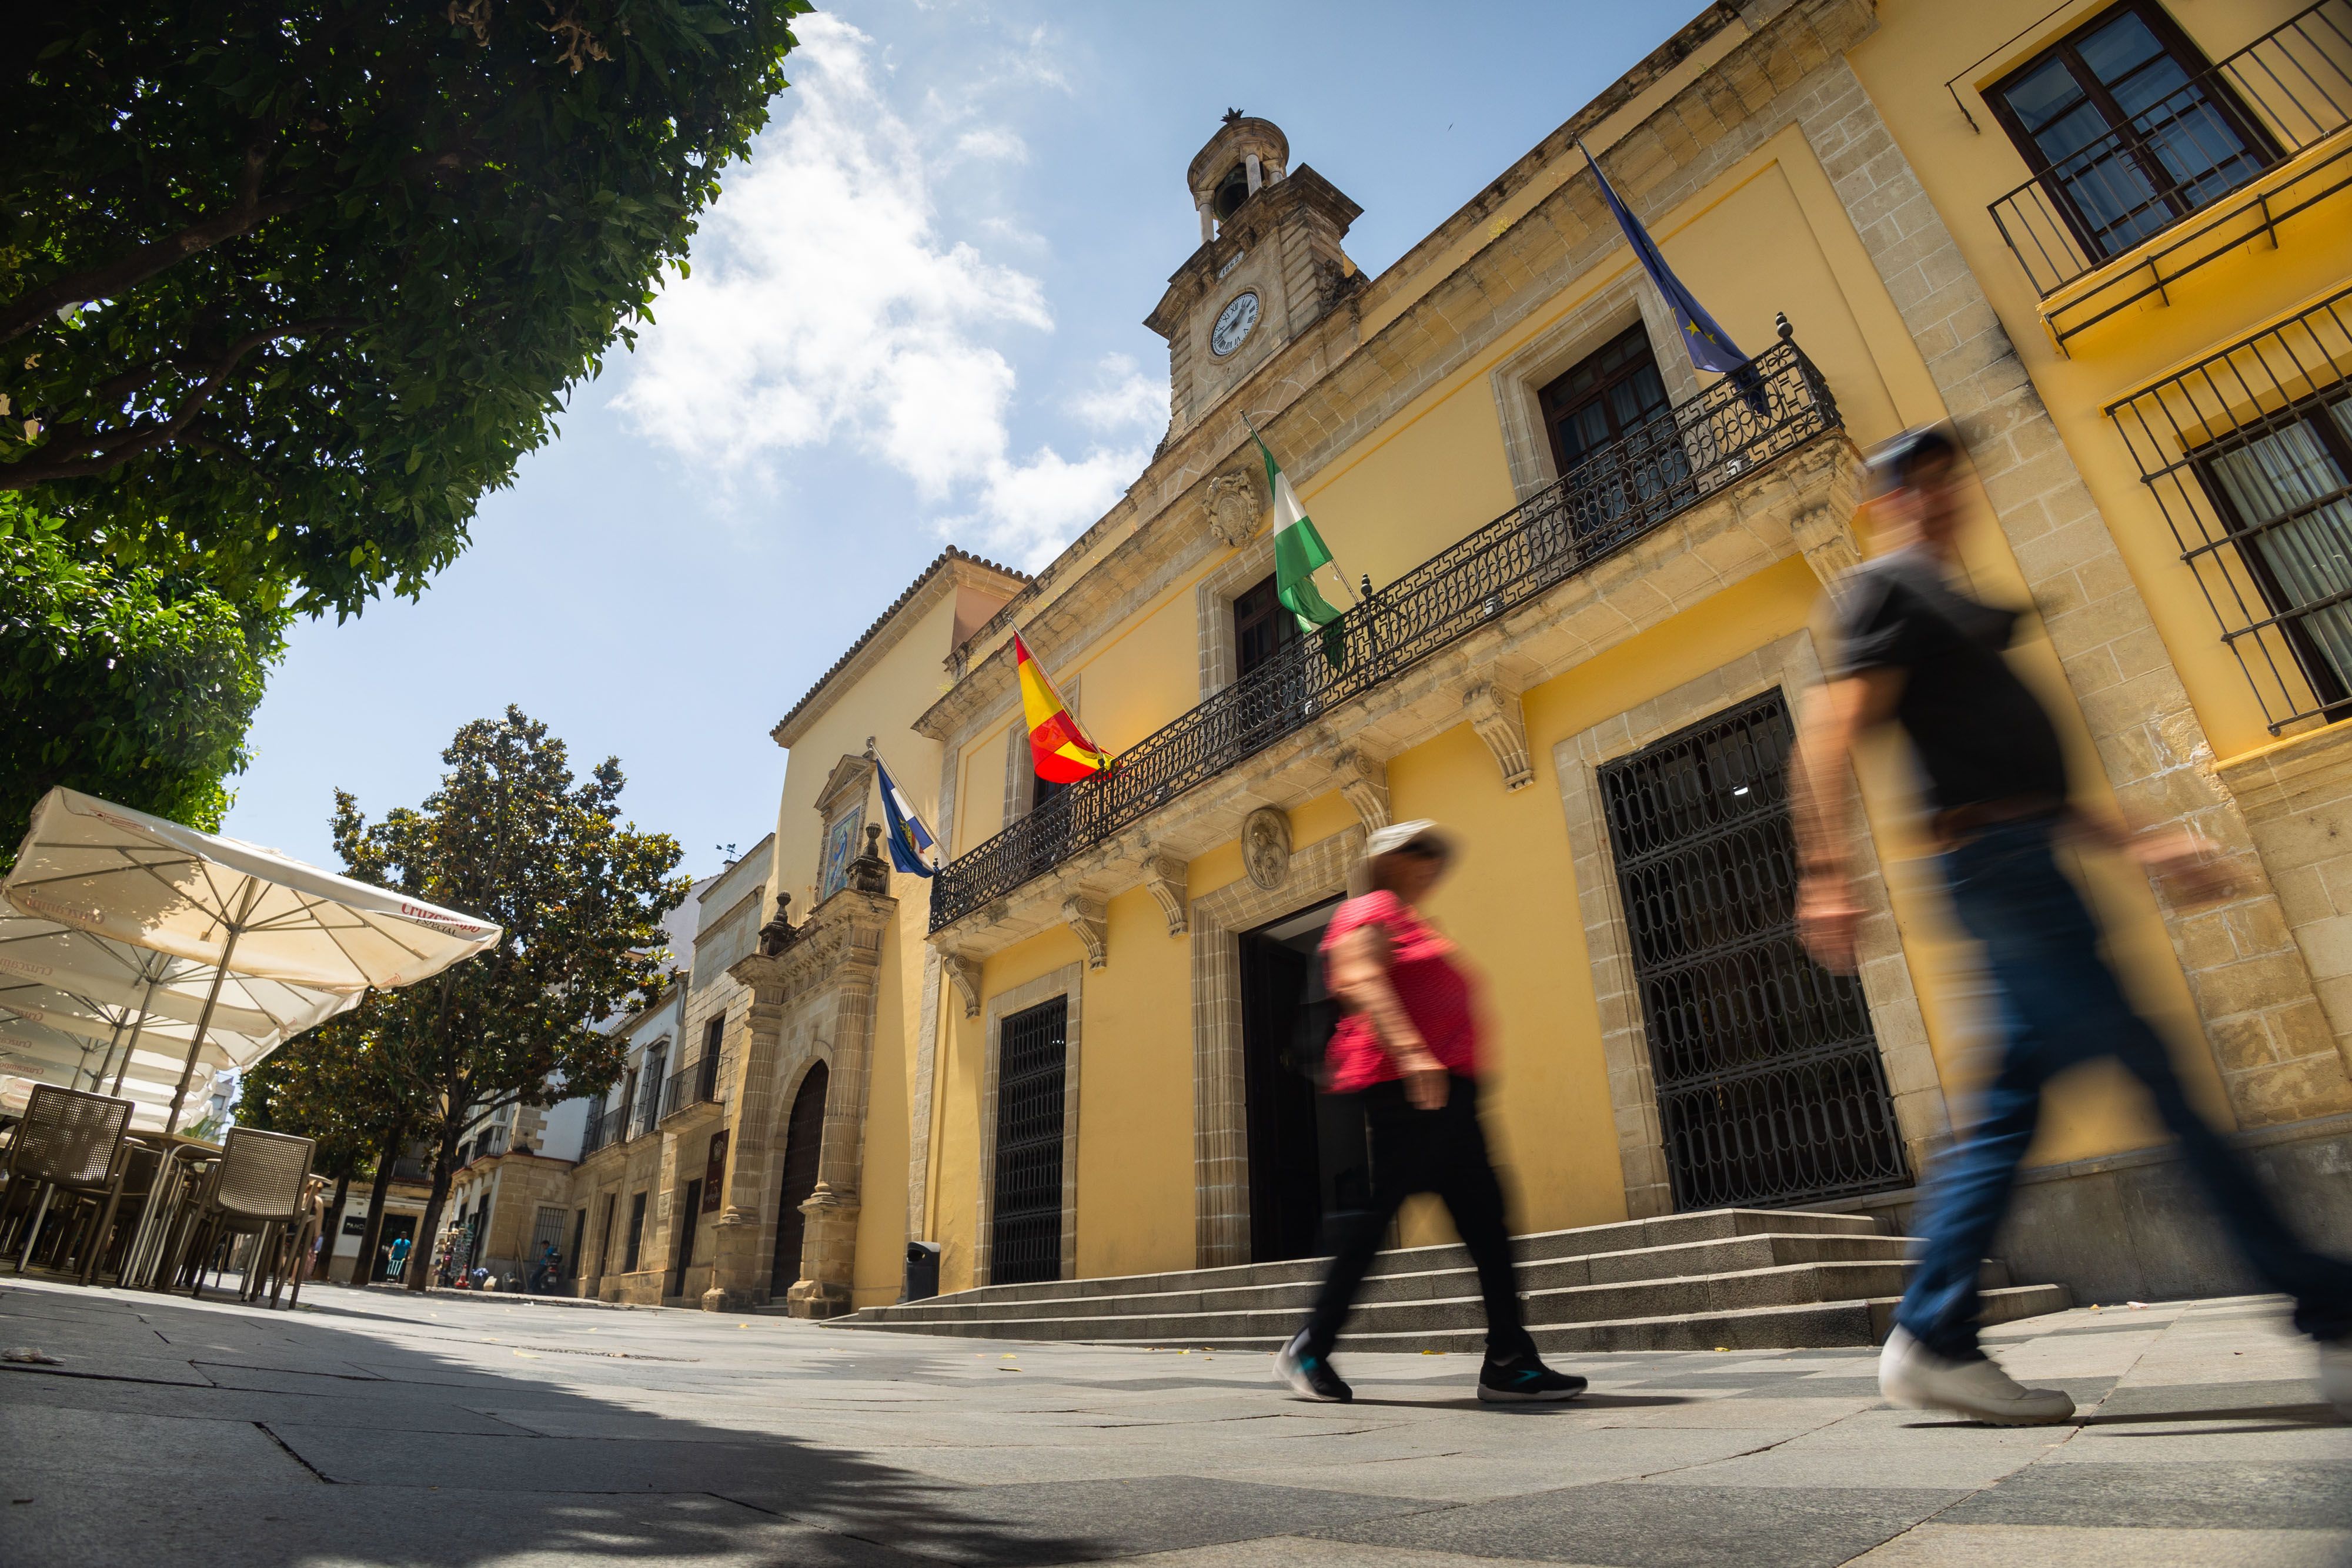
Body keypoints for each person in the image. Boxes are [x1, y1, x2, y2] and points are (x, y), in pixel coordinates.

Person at [1793, 424, 2352, 1425]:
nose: (1940, 497)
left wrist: (2139, 841)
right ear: (1884, 504)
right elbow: (1829, 732)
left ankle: (1934, 1333)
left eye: (1947, 480)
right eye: (1915, 485)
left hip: (2026, 863)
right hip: (2003, 878)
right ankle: (2331, 1310)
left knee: (2006, 1113)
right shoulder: (1888, 590)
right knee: (2164, 1088)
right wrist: (1829, 873)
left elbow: (2024, 784)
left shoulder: (1955, 607)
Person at [1274, 820, 1587, 1405]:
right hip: (1405, 1089)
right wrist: (1414, 1051)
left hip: (1449, 1094)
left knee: (1486, 1226)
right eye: (1422, 853)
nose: (1434, 864)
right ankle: (1311, 1346)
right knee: (1371, 1227)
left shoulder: (1411, 921)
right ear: (1390, 861)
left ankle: (1509, 1359)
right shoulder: (1368, 909)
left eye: (1436, 855)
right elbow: (1362, 978)